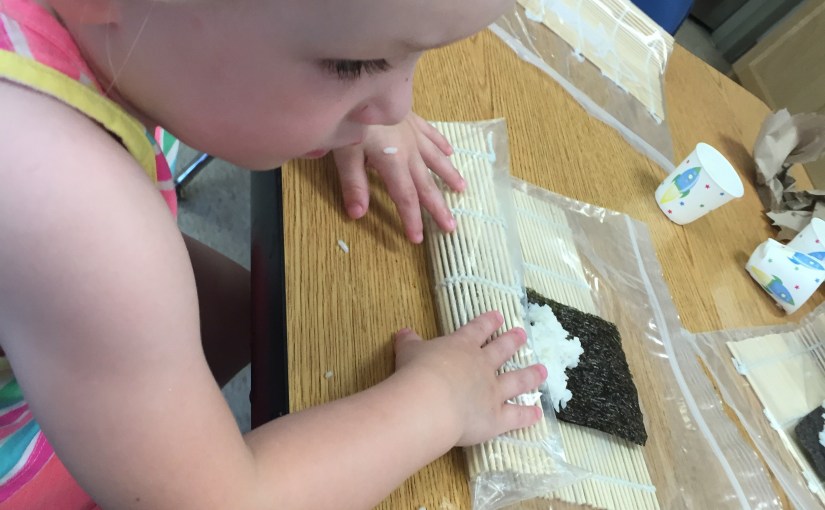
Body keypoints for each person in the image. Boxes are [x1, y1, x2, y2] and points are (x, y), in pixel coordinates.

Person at [0, 0, 548, 507]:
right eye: (352, 66)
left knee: (249, 315)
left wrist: (362, 83)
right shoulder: (69, 198)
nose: (396, 106)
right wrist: (440, 400)